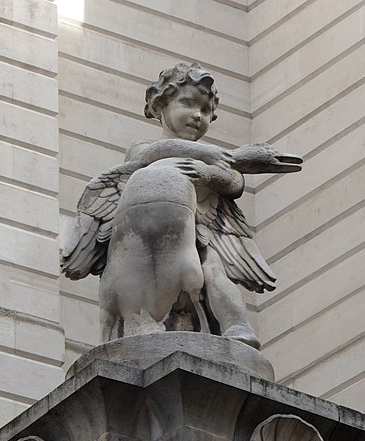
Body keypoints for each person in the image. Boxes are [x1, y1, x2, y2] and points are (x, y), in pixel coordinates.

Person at [61, 62, 302, 345]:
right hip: (141, 245)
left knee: (214, 270)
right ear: (158, 105)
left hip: (196, 237)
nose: (197, 116)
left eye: (206, 110)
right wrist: (224, 155)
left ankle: (236, 324)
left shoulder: (209, 163)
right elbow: (157, 151)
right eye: (187, 103)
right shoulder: (142, 149)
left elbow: (235, 183)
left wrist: (210, 172)